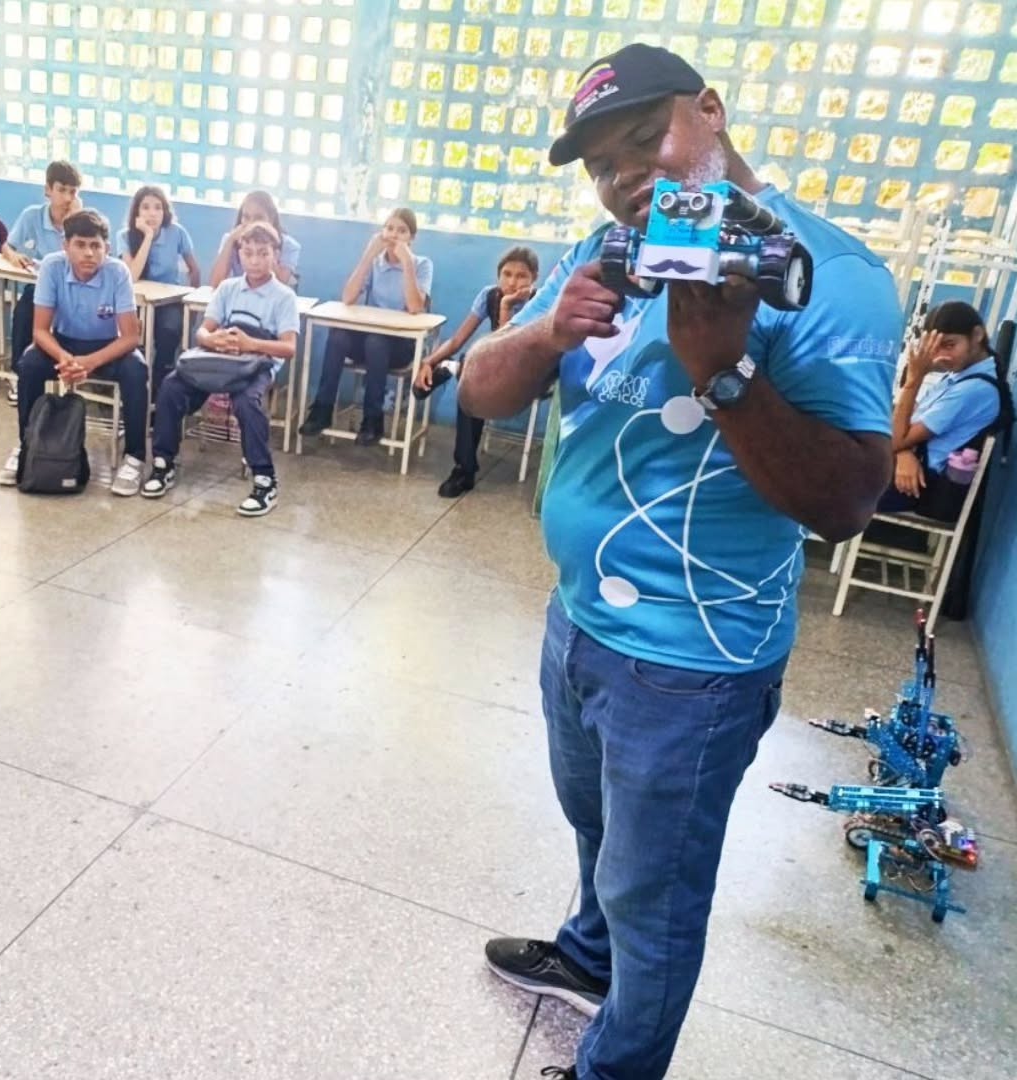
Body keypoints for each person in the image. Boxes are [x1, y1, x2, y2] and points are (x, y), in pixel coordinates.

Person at [459, 43, 903, 1080]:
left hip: (694, 660)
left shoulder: (830, 275)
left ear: (710, 111)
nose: (626, 176)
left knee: (657, 897)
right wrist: (548, 336)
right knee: (595, 827)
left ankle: (617, 1064)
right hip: (579, 622)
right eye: (603, 163)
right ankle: (586, 958)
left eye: (644, 139)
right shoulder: (600, 247)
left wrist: (725, 371)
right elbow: (479, 391)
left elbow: (847, 500)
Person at [142, 222, 299, 518]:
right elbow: (203, 332)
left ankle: (265, 480)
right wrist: (212, 339)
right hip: (218, 359)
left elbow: (288, 348)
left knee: (247, 402)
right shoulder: (228, 288)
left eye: (263, 253)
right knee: (172, 388)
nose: (254, 259)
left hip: (254, 365)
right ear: (239, 254)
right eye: (248, 252)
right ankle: (163, 463)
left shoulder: (283, 297)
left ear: (275, 256)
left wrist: (251, 343)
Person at [0, 209, 148, 497]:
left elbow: (130, 337)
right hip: (62, 344)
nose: (88, 253)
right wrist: (66, 358)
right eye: (80, 245)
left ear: (107, 249)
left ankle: (135, 457)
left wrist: (89, 362)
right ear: (65, 246)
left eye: (96, 246)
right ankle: (27, 445)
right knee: (29, 364)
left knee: (136, 369)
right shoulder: (52, 267)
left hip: (106, 348)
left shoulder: (117, 273)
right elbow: (40, 331)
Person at [412, 246, 539, 497]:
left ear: (534, 277)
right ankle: (464, 470)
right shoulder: (489, 295)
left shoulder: (542, 301)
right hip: (488, 374)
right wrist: (428, 362)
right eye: (507, 274)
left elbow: (507, 351)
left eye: (521, 275)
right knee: (470, 383)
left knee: (473, 368)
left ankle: (454, 369)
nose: (512, 282)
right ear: (498, 275)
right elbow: (458, 339)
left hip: (525, 378)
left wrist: (506, 307)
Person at [299, 207, 433, 446]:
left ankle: (373, 419)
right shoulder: (376, 263)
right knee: (339, 335)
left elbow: (415, 306)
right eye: (389, 228)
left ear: (412, 238)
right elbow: (348, 298)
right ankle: (322, 409)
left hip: (401, 345)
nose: (394, 235)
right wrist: (368, 256)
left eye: (402, 231)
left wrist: (407, 263)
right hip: (370, 338)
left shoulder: (422, 264)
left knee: (376, 342)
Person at [883, 301, 1006, 515]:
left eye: (949, 345)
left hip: (914, 486)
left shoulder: (974, 389)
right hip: (901, 466)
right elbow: (904, 422)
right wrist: (903, 452)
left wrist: (915, 379)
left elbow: (896, 438)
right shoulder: (956, 377)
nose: (942, 356)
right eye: (935, 347)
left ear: (977, 335)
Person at [1, 159, 83, 404]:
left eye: (73, 191)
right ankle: (19, 374)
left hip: (73, 290)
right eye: (61, 190)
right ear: (48, 190)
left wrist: (75, 221)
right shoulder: (32, 216)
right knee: (25, 310)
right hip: (40, 288)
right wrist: (13, 256)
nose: (67, 197)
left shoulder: (81, 221)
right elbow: (7, 245)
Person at [117, 185, 201, 395]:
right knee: (131, 338)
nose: (152, 213)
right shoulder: (125, 236)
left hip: (168, 302)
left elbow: (194, 269)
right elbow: (132, 277)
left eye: (158, 207)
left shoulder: (176, 232)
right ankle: (132, 390)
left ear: (165, 211)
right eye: (145, 207)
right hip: (135, 303)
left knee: (169, 331)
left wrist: (192, 308)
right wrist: (146, 237)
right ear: (136, 212)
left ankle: (158, 390)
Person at [208, 190, 301, 289]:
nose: (251, 223)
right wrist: (230, 241)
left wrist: (270, 247)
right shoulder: (231, 240)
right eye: (246, 217)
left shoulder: (289, 245)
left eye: (258, 218)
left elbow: (280, 286)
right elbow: (216, 284)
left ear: (272, 218)